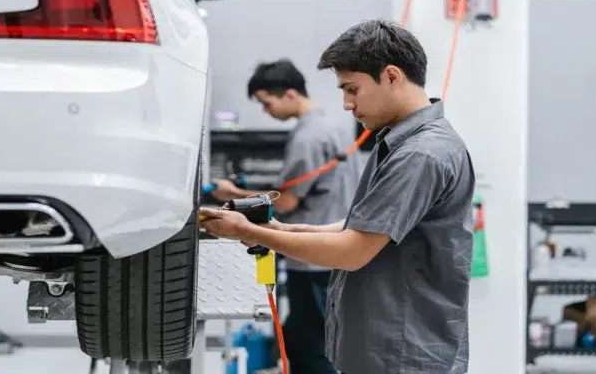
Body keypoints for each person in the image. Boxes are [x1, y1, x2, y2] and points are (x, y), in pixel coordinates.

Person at [200, 19, 475, 374]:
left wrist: (249, 232)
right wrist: (282, 230)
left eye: (352, 89)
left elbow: (353, 250)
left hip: (404, 355)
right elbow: (358, 228)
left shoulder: (421, 154)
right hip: (388, 349)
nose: (346, 103)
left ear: (392, 76)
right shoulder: (397, 142)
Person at [208, 58, 361, 374]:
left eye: (267, 103)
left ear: (290, 94)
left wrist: (232, 196)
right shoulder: (335, 124)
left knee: (312, 348)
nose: (266, 112)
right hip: (332, 251)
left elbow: (288, 201)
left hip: (313, 256)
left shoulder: (308, 136)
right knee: (306, 339)